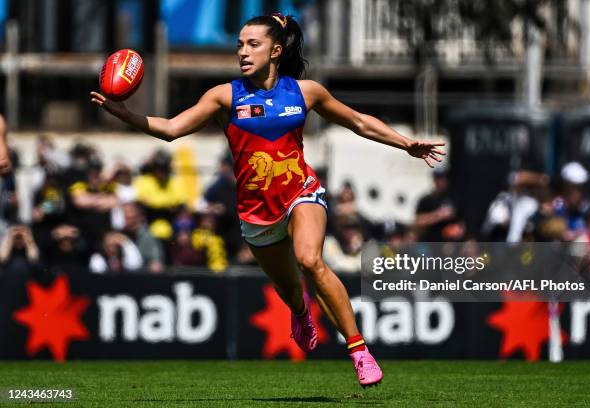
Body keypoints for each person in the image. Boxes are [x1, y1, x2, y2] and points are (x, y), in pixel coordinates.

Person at [91, 12, 445, 387]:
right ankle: (300, 311)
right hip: (256, 213)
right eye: (240, 45)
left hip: (300, 192)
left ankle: (359, 350)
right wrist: (124, 113)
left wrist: (406, 143)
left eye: (252, 45)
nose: (243, 52)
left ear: (275, 50)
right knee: (291, 290)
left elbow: (358, 121)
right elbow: (172, 129)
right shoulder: (224, 96)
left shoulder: (305, 91)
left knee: (310, 259)